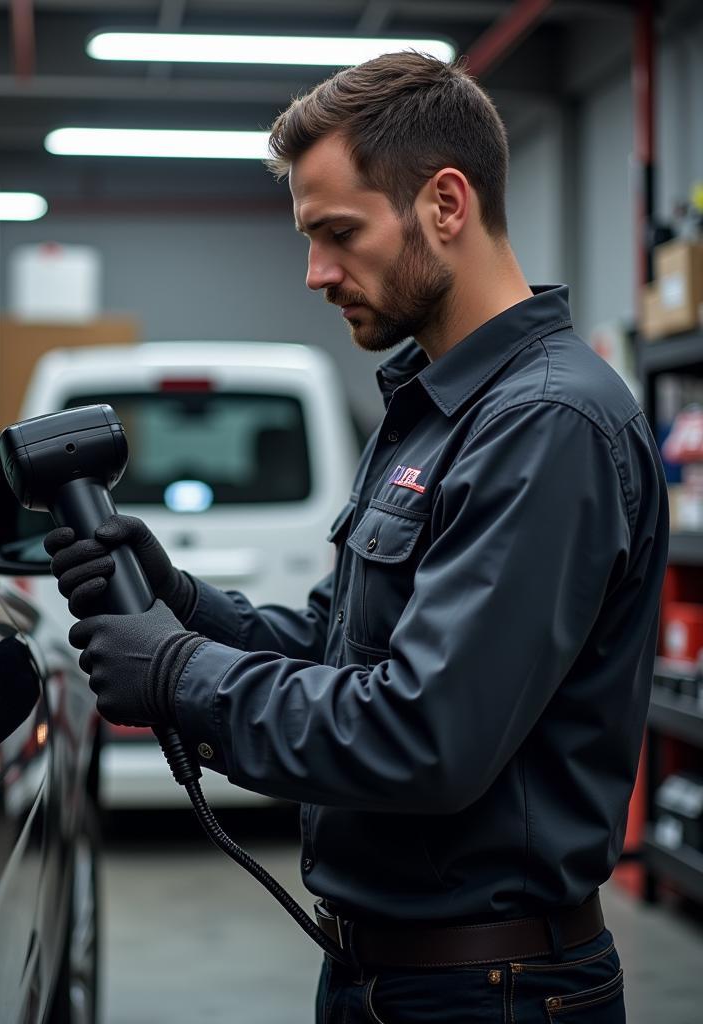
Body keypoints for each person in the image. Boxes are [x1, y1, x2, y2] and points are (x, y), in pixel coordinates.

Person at [44, 53, 668, 1023]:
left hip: (488, 991)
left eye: (338, 233)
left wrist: (179, 676)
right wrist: (182, 605)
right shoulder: (428, 409)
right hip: (392, 973)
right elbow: (340, 644)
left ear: (445, 205)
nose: (315, 273)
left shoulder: (547, 426)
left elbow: (424, 734)